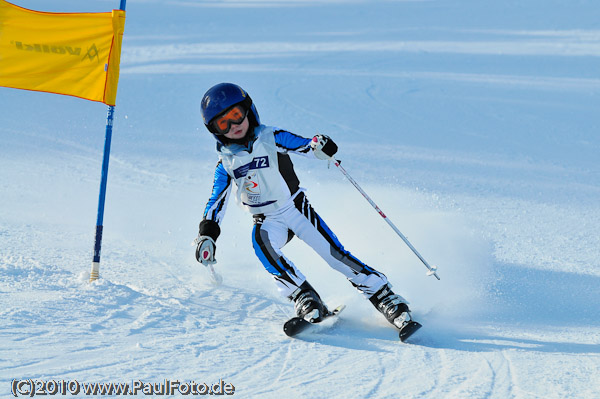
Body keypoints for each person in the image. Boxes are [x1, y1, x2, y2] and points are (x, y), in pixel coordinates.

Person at [195, 82, 414, 329]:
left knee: (334, 256)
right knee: (262, 246)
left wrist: (320, 147)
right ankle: (304, 297)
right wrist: (207, 235)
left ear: (248, 110)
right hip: (266, 219)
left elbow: (303, 145)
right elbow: (216, 201)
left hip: (295, 209)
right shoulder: (226, 163)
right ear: (214, 130)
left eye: (236, 115)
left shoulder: (270, 137)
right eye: (223, 123)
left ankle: (383, 295)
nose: (234, 126)